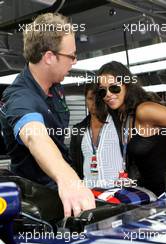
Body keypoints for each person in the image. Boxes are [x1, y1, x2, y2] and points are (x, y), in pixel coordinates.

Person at [0, 13, 95, 217]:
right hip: (38, 209)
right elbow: (35, 136)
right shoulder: (19, 97)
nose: (75, 62)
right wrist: (69, 179)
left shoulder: (55, 89)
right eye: (71, 56)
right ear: (49, 57)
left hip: (63, 198)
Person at [95, 61, 166, 202]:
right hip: (158, 198)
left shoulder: (144, 110)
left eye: (114, 88)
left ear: (127, 86)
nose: (108, 94)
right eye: (102, 90)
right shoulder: (124, 116)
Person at [69, 82, 123, 188]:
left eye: (97, 98)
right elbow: (73, 162)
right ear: (85, 99)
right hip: (89, 193)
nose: (94, 103)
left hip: (118, 192)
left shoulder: (119, 123)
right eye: (90, 98)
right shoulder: (78, 129)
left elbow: (133, 157)